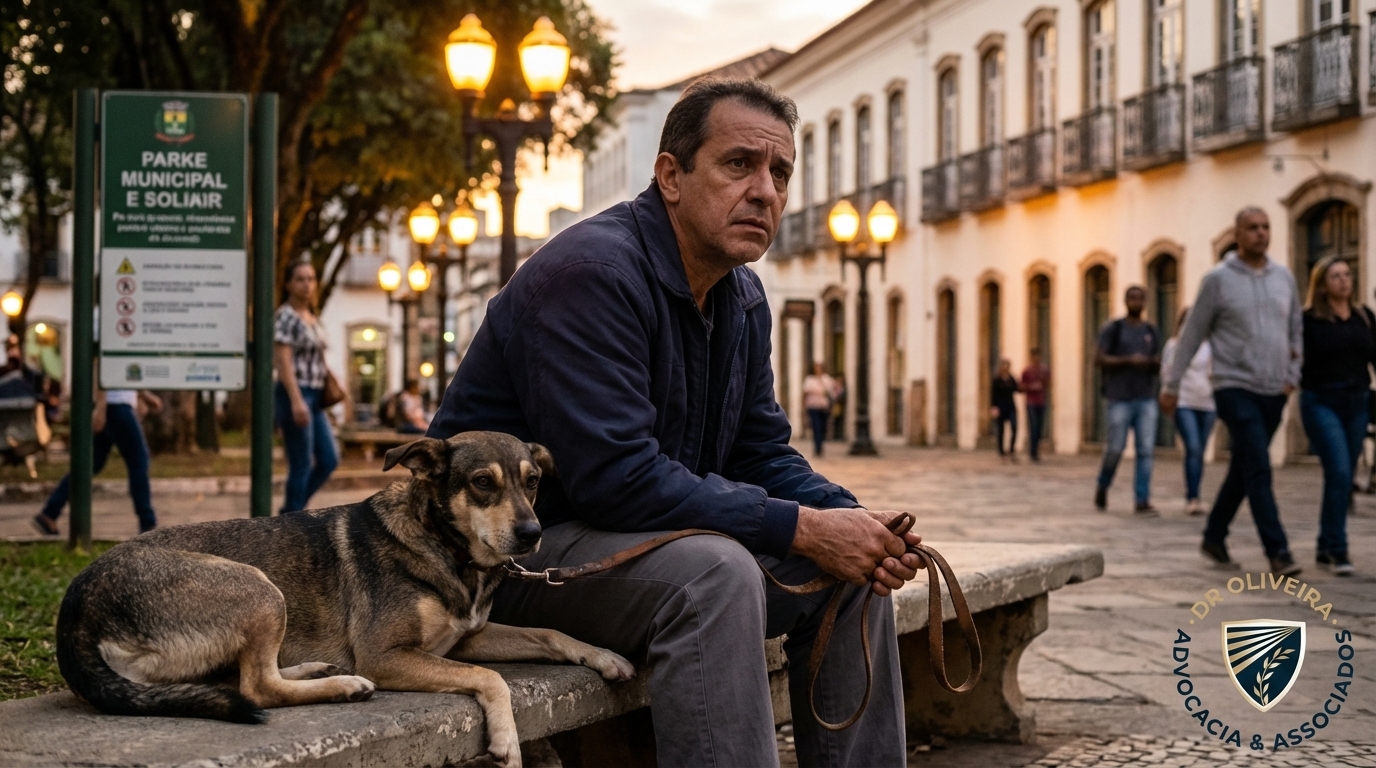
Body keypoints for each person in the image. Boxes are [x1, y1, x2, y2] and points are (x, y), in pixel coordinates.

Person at [428, 77, 921, 767]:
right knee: (713, 573)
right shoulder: (590, 275)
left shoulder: (742, 297)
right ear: (671, 176)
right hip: (498, 562)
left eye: (780, 173)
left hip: (628, 547)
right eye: (739, 164)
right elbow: (616, 480)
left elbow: (760, 453)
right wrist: (805, 528)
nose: (765, 191)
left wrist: (852, 520)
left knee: (853, 571)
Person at [1162, 206, 1303, 576]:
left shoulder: (1284, 278)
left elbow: (1295, 330)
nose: (1261, 233)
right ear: (1237, 234)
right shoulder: (1217, 280)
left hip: (1274, 389)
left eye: (1265, 227)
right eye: (1252, 227)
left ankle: (1214, 536)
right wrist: (1172, 384)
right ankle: (1278, 551)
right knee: (1259, 466)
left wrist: (1293, 374)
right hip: (1233, 386)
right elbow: (1192, 334)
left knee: (1245, 466)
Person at [1298, 256, 1371, 577]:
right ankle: (1338, 549)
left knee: (1341, 476)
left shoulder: (1363, 317)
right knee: (1340, 471)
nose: (1343, 280)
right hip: (1321, 401)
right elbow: (1294, 359)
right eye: (1335, 276)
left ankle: (1325, 544)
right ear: (1322, 285)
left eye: (1347, 275)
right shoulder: (1308, 320)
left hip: (1357, 402)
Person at [32, 387, 163, 536]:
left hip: (113, 406)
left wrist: (145, 395)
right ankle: (147, 523)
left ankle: (49, 513)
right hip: (115, 406)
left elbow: (124, 376)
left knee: (91, 464)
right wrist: (101, 407)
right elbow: (102, 374)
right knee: (139, 460)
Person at [273, 260, 338, 513]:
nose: (307, 284)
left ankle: (291, 513)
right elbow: (283, 361)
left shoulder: (312, 318)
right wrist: (296, 400)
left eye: (311, 279)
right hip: (295, 393)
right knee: (301, 463)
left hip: (316, 395)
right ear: (288, 284)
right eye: (300, 279)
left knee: (329, 459)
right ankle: (291, 519)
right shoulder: (286, 316)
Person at [1094, 286, 1161, 515]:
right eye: (1132, 298)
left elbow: (1157, 362)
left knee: (1145, 450)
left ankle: (1142, 499)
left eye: (1140, 298)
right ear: (1125, 301)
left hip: (1145, 397)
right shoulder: (1113, 328)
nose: (1136, 302)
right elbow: (1099, 358)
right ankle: (1103, 484)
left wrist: (1153, 363)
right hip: (1119, 397)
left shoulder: (1150, 331)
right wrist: (1128, 360)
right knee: (1115, 448)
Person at [1160, 307, 1215, 515]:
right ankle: (1192, 498)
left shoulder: (1211, 345)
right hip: (1184, 401)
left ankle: (1195, 494)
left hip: (1208, 403)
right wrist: (1168, 396)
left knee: (1199, 450)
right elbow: (1166, 373)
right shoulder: (1174, 345)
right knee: (1193, 447)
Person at [1020, 347, 1051, 461]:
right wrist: (1031, 387)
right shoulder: (1027, 371)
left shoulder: (1044, 370)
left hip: (1041, 401)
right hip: (1031, 402)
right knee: (1034, 425)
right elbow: (1021, 387)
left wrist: (1043, 384)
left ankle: (1035, 449)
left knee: (1039, 428)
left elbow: (1049, 383)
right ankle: (1033, 451)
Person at [801, 361, 837, 456]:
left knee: (823, 427)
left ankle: (820, 444)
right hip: (813, 407)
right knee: (816, 426)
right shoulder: (810, 380)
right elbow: (805, 394)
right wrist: (803, 407)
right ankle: (818, 448)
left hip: (824, 407)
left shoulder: (826, 379)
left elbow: (833, 391)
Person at [990, 358, 1019, 460]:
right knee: (1001, 430)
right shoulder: (997, 380)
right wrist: (993, 407)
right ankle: (1001, 451)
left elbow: (1017, 388)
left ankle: (1011, 449)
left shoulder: (1011, 379)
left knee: (1014, 428)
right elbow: (993, 394)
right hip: (1000, 407)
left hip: (1010, 406)